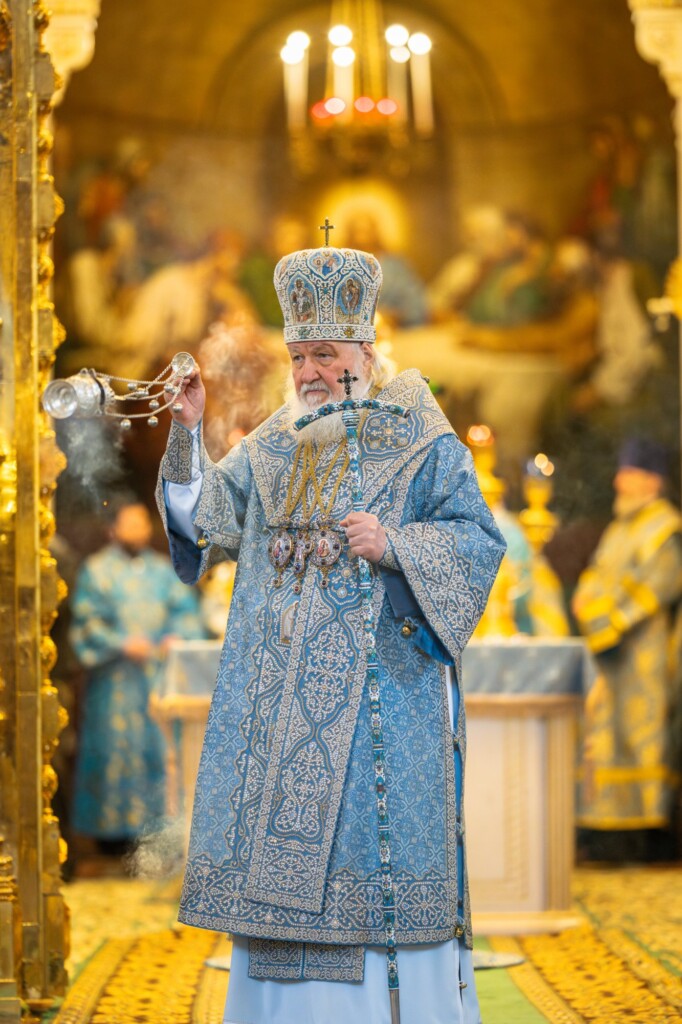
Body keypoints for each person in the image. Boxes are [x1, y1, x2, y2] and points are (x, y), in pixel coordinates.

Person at [158, 234, 506, 1024]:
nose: (309, 371)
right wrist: (187, 432)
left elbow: (478, 542)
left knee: (373, 883)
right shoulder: (273, 445)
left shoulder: (421, 436)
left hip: (390, 710)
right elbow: (203, 526)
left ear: (365, 350)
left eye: (325, 353)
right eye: (298, 356)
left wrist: (396, 546)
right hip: (280, 724)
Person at [70, 499, 205, 855]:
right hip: (115, 680)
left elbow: (186, 612)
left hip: (156, 678)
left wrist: (176, 635)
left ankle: (157, 835)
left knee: (158, 751)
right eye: (130, 523)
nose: (138, 530)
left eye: (143, 523)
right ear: (112, 529)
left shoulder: (163, 570)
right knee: (114, 750)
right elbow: (87, 622)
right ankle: (111, 840)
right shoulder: (96, 570)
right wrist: (120, 643)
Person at [573, 438, 682, 862]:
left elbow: (659, 583)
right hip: (609, 652)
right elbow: (596, 572)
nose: (619, 481)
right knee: (606, 738)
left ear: (652, 480)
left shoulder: (666, 528)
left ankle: (647, 836)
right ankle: (608, 834)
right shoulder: (620, 527)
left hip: (644, 652)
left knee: (642, 736)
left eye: (629, 473)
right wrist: (586, 603)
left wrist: (610, 621)